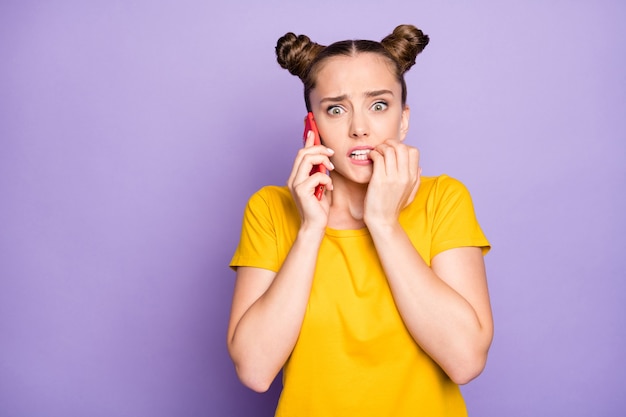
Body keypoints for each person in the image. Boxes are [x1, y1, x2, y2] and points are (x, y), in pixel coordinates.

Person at [227, 24, 493, 416]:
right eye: (336, 109)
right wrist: (310, 229)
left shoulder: (444, 199)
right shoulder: (271, 209)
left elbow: (466, 360)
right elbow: (255, 370)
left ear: (403, 120)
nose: (359, 128)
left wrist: (384, 224)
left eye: (379, 105)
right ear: (311, 128)